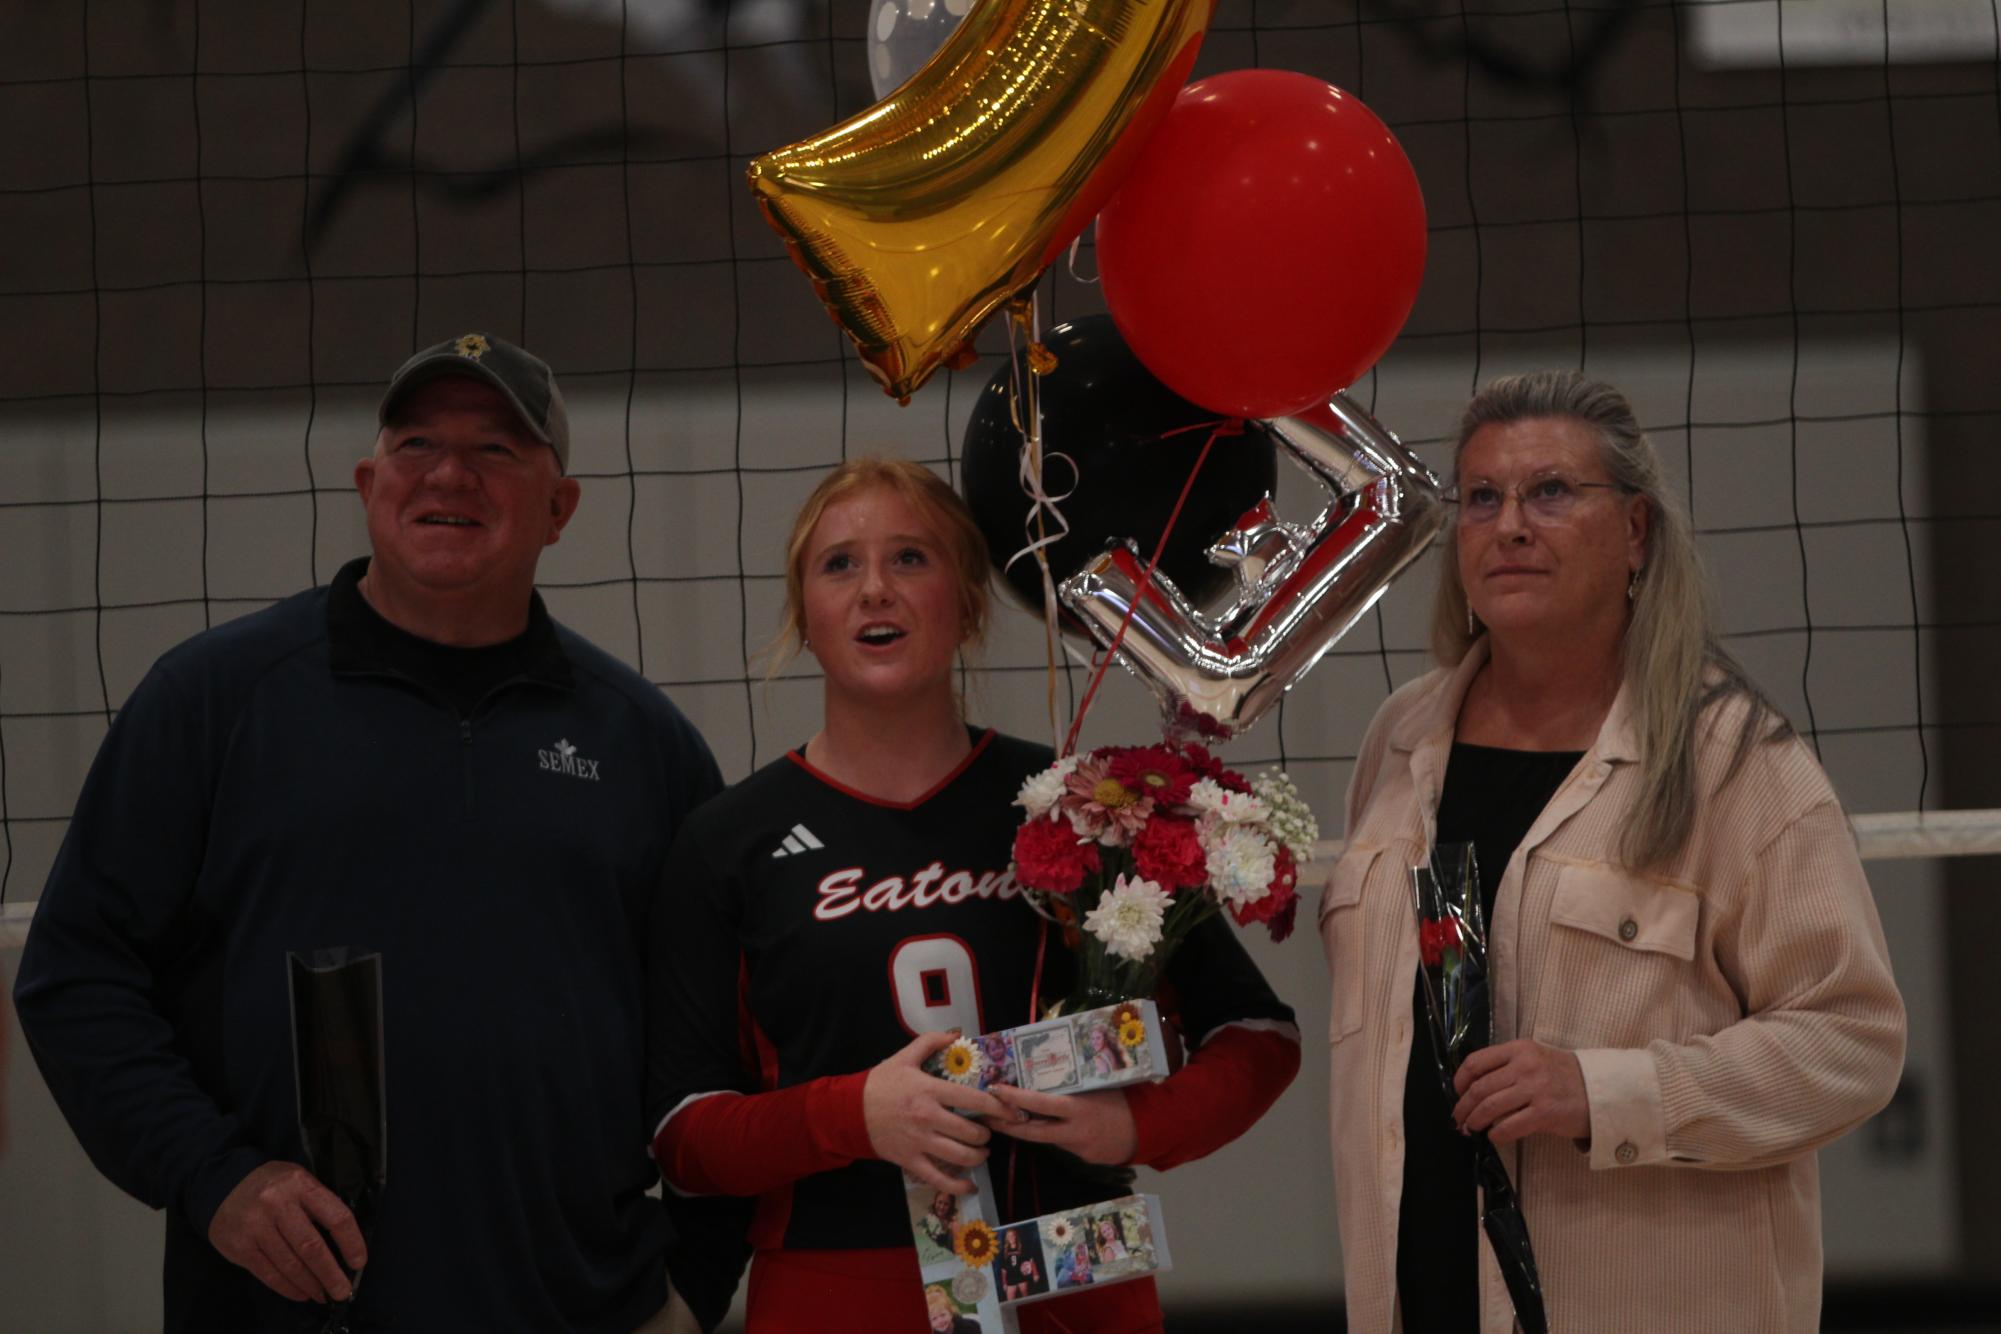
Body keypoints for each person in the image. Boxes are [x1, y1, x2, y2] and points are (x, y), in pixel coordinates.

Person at [12, 334, 739, 1334]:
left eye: (496, 449)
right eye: (416, 444)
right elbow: (75, 972)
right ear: (368, 482)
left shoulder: (644, 744)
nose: (449, 474)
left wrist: (694, 1285)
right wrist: (213, 1174)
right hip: (291, 1309)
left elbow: (725, 1042)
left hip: (580, 1304)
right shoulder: (214, 699)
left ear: (561, 506)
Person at [644, 456, 1301, 1333]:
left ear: (967, 603)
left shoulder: (1084, 802)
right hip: (841, 1286)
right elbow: (684, 1137)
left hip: (1075, 1267)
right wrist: (851, 1114)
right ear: (804, 616)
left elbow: (1258, 1036)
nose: (874, 588)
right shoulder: (729, 841)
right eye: (839, 564)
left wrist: (1136, 1126)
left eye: (911, 558)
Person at [1319, 370, 1906, 1332]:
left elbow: (1852, 1044)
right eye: (1480, 497)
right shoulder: (1400, 738)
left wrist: (1604, 1090)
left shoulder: (1734, 760)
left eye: (1550, 491)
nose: (1508, 524)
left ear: (1635, 531)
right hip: (1418, 1295)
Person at [995, 1226, 1042, 1299]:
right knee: (1010, 1301)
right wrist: (1004, 1283)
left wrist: (1035, 1273)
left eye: (1013, 1235)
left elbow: (1031, 1260)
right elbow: (1003, 1270)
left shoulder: (1023, 1248)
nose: (1011, 1237)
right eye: (1009, 1236)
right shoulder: (1004, 1252)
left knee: (1026, 1299)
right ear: (1007, 1238)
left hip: (1022, 1277)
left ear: (1016, 1236)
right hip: (1010, 1279)